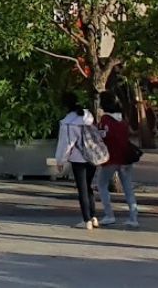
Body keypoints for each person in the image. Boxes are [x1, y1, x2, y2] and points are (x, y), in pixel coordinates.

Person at [55, 95, 104, 229]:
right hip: (92, 157)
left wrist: (60, 160)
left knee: (82, 189)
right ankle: (93, 217)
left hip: (78, 158)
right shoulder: (88, 117)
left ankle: (86, 219)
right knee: (88, 187)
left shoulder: (68, 123)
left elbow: (66, 144)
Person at [92, 99, 140, 228]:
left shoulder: (105, 120)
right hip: (126, 158)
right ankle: (133, 217)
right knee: (128, 188)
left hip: (111, 158)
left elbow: (103, 135)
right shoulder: (123, 121)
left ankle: (109, 215)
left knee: (101, 184)